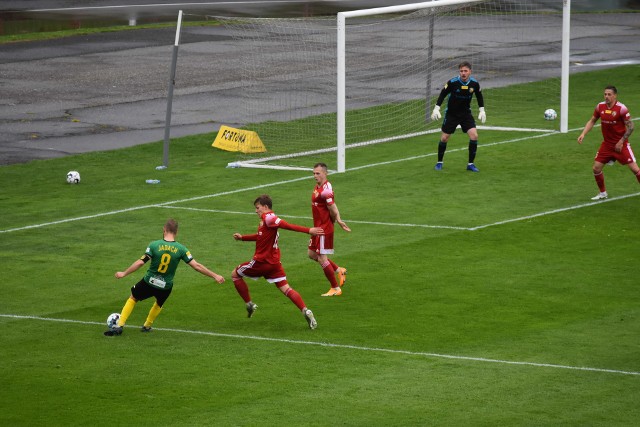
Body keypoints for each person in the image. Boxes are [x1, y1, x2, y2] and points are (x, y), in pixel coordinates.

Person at [104, 218, 225, 336]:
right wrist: (215, 275)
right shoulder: (182, 249)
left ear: (164, 229)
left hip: (149, 282)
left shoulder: (154, 245)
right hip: (165, 286)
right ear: (176, 232)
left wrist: (124, 273)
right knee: (159, 303)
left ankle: (120, 325)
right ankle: (147, 326)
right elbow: (197, 266)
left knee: (133, 297)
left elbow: (141, 262)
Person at [232, 194, 323, 329]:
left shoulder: (269, 218)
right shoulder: (266, 221)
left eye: (258, 208)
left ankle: (249, 304)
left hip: (262, 262)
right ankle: (305, 310)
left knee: (235, 275)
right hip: (274, 264)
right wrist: (242, 238)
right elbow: (260, 236)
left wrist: (309, 230)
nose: (256, 211)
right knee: (286, 288)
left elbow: (286, 225)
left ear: (265, 207)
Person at [577, 85, 638, 200]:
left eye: (609, 94)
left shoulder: (621, 108)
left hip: (621, 145)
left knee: (635, 169)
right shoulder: (600, 107)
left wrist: (621, 141)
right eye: (605, 94)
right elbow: (592, 120)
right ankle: (603, 193)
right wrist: (583, 133)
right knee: (596, 168)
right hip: (607, 145)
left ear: (615, 96)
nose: (606, 96)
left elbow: (631, 126)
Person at [430, 61, 486, 172]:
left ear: (470, 71)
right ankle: (439, 162)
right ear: (459, 72)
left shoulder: (474, 84)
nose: (463, 73)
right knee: (444, 138)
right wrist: (436, 108)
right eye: (461, 71)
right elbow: (442, 94)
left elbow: (479, 96)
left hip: (466, 114)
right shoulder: (452, 82)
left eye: (465, 71)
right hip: (452, 114)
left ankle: (470, 164)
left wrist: (482, 110)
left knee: (474, 136)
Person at [309, 162, 351, 297]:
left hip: (323, 229)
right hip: (317, 228)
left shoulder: (326, 190)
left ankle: (335, 288)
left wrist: (337, 220)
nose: (315, 176)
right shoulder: (320, 186)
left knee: (322, 258)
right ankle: (339, 270)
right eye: (314, 173)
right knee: (312, 254)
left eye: (318, 173)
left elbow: (332, 208)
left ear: (325, 173)